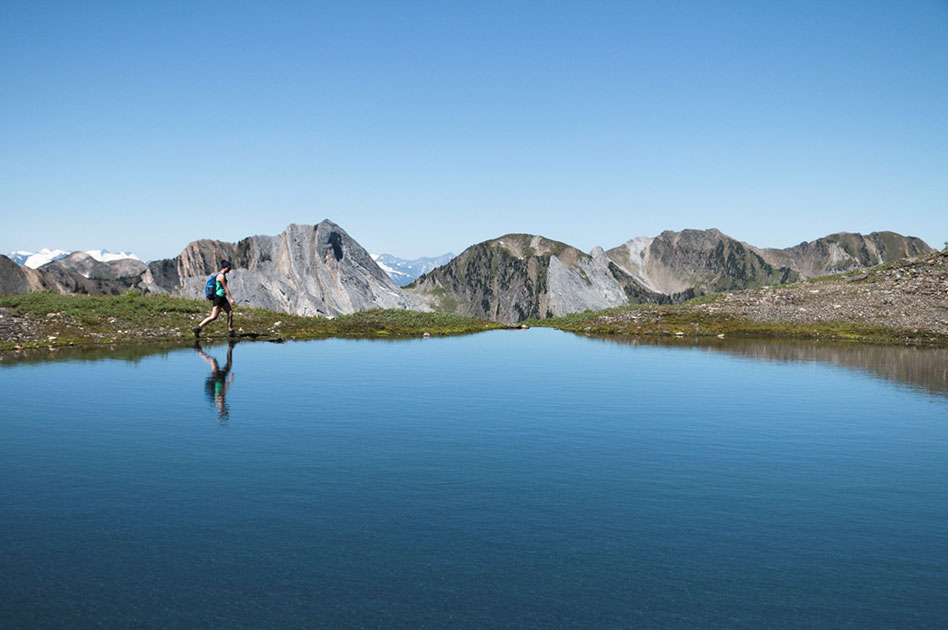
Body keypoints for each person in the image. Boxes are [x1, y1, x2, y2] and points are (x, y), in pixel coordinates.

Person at [193, 260, 237, 338]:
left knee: (230, 313)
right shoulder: (221, 276)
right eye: (229, 268)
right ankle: (198, 328)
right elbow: (225, 288)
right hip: (218, 298)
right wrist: (231, 299)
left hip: (222, 297)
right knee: (213, 316)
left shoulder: (222, 275)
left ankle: (231, 331)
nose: (230, 269)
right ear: (225, 267)